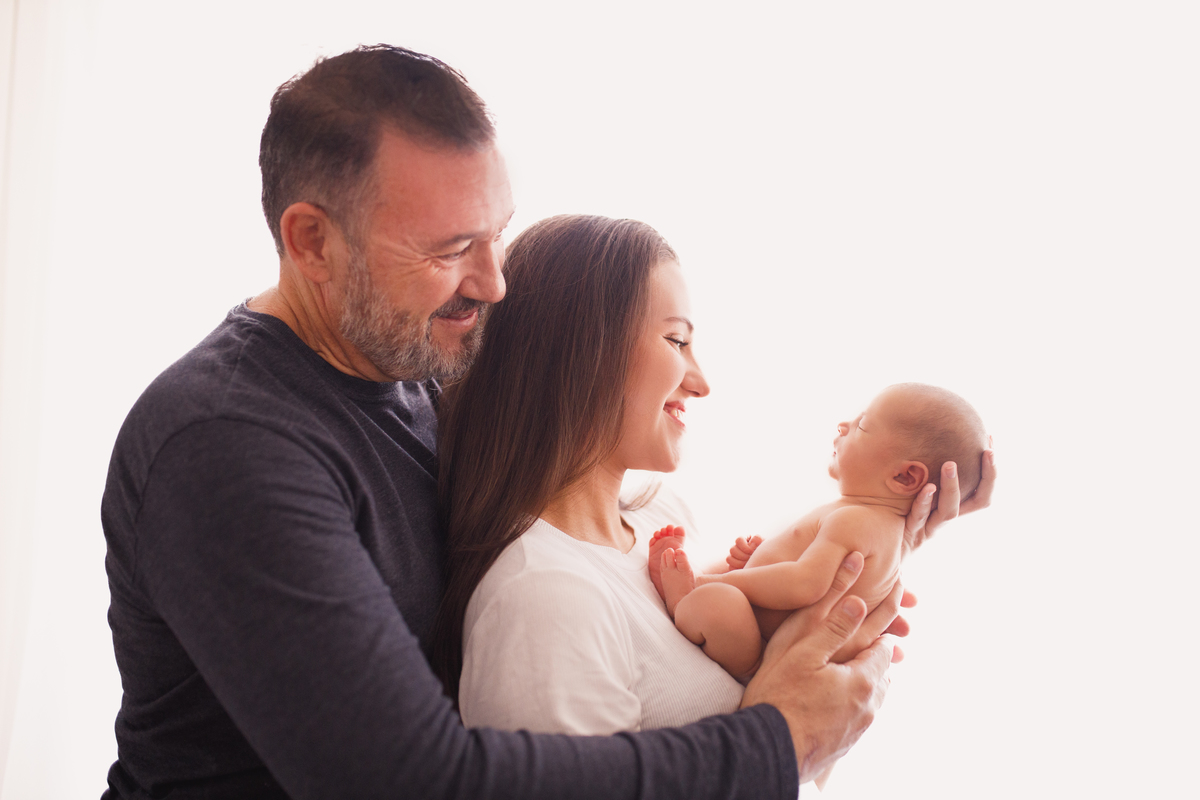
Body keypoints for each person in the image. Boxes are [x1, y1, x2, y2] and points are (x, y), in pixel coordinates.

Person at [100, 44, 990, 800]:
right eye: (452, 250)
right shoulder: (226, 446)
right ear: (311, 242)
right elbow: (403, 781)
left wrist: (878, 526)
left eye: (495, 235)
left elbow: (595, 485)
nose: (494, 283)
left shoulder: (413, 367)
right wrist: (777, 742)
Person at [435, 218, 993, 745]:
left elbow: (784, 623)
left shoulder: (660, 514)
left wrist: (894, 536)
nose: (701, 383)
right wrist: (781, 733)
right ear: (580, 354)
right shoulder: (544, 596)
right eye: (677, 342)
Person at [655, 383, 990, 678]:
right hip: (771, 636)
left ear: (905, 477)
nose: (843, 425)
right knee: (726, 598)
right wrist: (757, 560)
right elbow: (811, 574)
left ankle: (684, 595)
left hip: (761, 654)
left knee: (716, 601)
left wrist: (717, 581)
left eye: (863, 425)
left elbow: (804, 585)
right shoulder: (887, 532)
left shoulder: (856, 520)